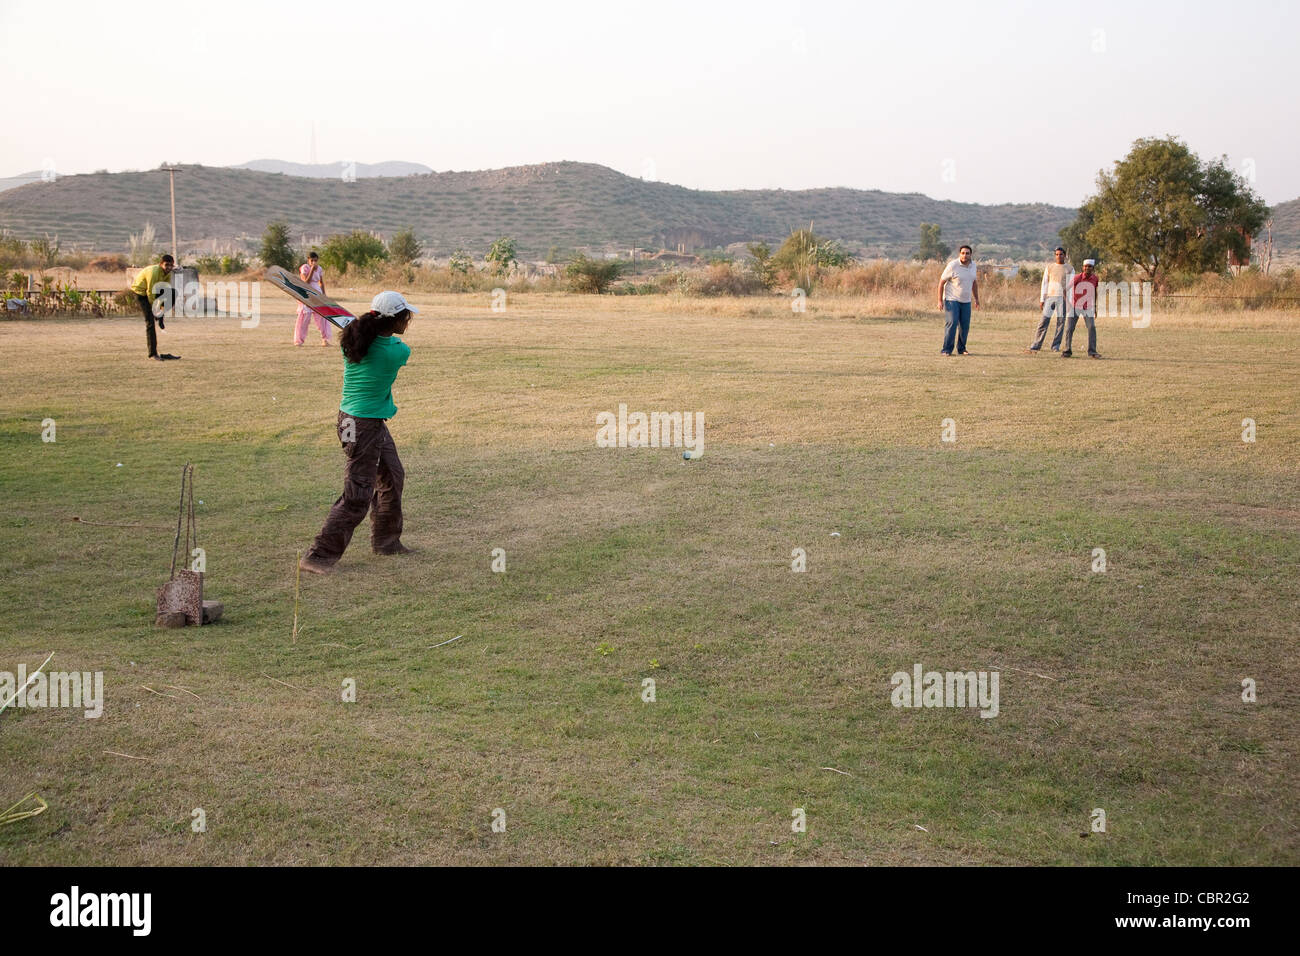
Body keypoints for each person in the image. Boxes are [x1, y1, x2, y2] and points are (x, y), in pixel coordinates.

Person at [299, 291, 418, 574]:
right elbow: (396, 344)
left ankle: (386, 541)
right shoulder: (396, 351)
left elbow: (365, 331)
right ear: (396, 320)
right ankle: (317, 556)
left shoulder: (351, 340)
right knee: (358, 493)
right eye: (406, 317)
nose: (409, 321)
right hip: (363, 426)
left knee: (391, 475)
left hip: (354, 421)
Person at [129, 254, 179, 360]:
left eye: (171, 265)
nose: (169, 268)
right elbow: (150, 292)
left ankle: (160, 317)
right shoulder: (154, 272)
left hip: (152, 292)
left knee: (173, 293)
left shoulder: (168, 274)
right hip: (141, 293)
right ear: (161, 264)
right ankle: (153, 353)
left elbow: (165, 291)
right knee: (150, 323)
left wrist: (161, 309)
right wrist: (155, 308)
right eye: (167, 265)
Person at [1025, 246, 1070, 353]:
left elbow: (1071, 285)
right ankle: (1036, 344)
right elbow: (1044, 283)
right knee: (1043, 321)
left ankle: (1055, 346)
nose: (1059, 256)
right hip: (1050, 297)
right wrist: (1042, 299)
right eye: (1057, 254)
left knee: (1060, 322)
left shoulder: (1069, 268)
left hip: (1062, 299)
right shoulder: (1049, 267)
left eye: (1061, 254)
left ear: (1065, 255)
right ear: (1055, 256)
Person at [937, 244, 979, 355]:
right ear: (959, 254)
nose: (965, 255)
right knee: (952, 322)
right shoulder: (953, 265)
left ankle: (962, 349)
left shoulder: (973, 266)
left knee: (965, 326)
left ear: (971, 255)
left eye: (967, 253)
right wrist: (940, 301)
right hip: (952, 299)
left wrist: (977, 299)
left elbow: (974, 283)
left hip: (966, 301)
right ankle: (946, 350)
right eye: (963, 253)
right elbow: (941, 283)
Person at [1062, 259, 1101, 358]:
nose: (1087, 268)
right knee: (1070, 328)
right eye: (1085, 266)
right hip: (1075, 306)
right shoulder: (1077, 278)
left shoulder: (1095, 279)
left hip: (1088, 307)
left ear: (1093, 268)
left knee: (1091, 327)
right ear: (1083, 267)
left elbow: (1095, 292)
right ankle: (1067, 350)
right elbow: (1065, 290)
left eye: (1089, 266)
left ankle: (1092, 351)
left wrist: (1095, 306)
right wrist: (1068, 304)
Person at [293, 251, 332, 347]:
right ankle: (299, 341)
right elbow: (305, 282)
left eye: (315, 260)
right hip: (306, 294)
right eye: (312, 260)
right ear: (308, 260)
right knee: (304, 318)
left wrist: (324, 294)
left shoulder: (319, 269)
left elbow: (321, 282)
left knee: (322, 318)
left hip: (317, 294)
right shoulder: (304, 268)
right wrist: (311, 270)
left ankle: (325, 340)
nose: (313, 262)